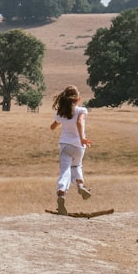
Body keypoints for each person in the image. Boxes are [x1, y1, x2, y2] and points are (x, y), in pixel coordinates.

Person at [50, 85, 93, 215]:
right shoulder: (82, 110)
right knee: (76, 166)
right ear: (78, 99)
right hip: (79, 147)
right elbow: (79, 123)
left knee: (65, 170)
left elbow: (53, 127)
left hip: (65, 145)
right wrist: (82, 139)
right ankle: (80, 186)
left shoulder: (61, 113)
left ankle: (61, 193)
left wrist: (57, 123)